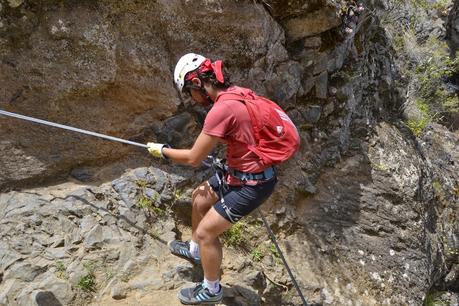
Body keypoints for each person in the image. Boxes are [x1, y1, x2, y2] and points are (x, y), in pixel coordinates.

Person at [147, 53, 282, 305]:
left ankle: (211, 290)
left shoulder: (221, 109)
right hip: (240, 172)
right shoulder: (236, 93)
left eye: (189, 91)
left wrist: (163, 151)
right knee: (199, 199)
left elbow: (193, 158)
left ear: (197, 83)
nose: (192, 98)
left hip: (253, 184)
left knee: (208, 231)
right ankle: (196, 251)